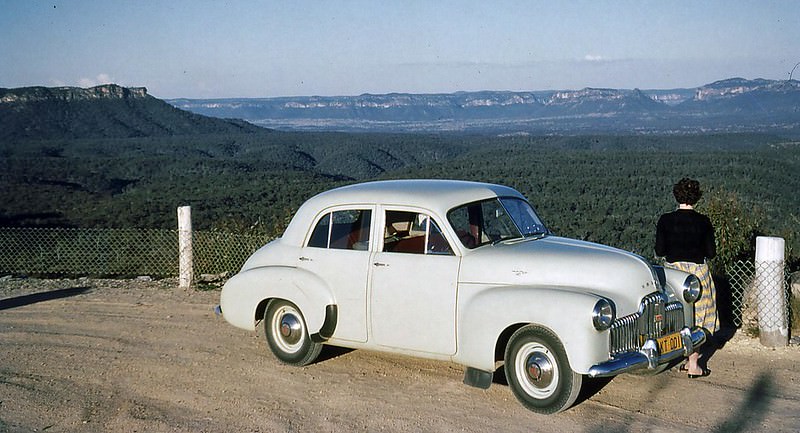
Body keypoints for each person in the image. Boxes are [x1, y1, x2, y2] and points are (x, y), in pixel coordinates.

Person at [655, 177, 718, 378]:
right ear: (696, 198)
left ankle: (679, 354)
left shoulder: (665, 220)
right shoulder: (704, 222)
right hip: (698, 274)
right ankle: (693, 364)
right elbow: (711, 252)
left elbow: (660, 250)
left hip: (673, 273)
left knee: (676, 315)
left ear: (676, 195)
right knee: (699, 317)